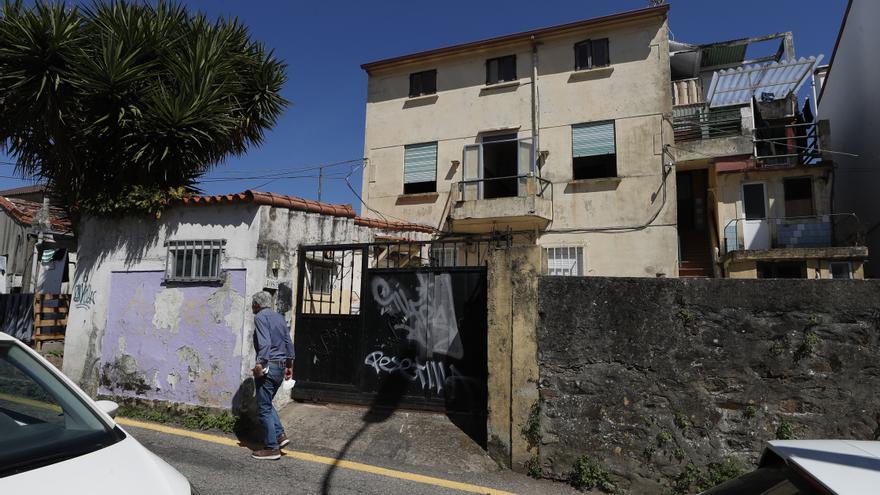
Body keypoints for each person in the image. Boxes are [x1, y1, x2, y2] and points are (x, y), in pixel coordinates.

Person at [250, 291, 295, 460]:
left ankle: (272, 448)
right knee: (267, 403)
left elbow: (265, 343)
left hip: (269, 365)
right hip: (281, 365)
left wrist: (260, 363)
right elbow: (288, 342)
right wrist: (289, 365)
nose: (252, 307)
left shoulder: (260, 317)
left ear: (257, 304)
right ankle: (280, 436)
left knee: (263, 408)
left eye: (253, 304)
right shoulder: (279, 317)